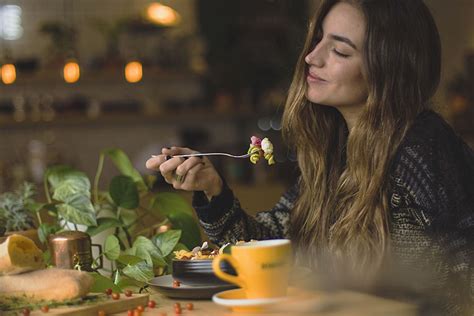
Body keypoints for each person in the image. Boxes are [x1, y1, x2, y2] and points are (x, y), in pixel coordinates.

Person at [146, 0, 473, 314]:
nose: (312, 58)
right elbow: (268, 246)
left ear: (389, 68)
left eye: (340, 50)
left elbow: (452, 285)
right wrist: (212, 190)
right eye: (318, 40)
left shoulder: (421, 150)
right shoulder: (335, 150)